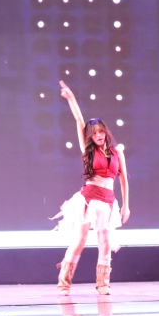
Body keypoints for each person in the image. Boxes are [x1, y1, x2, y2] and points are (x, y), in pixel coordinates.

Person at [53, 80, 130, 295]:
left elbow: (124, 179)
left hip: (108, 201)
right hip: (89, 199)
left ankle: (103, 284)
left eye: (101, 131)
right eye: (94, 133)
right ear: (91, 136)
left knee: (105, 243)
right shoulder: (88, 151)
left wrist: (126, 206)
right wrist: (71, 98)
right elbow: (79, 120)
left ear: (105, 132)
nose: (98, 135)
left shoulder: (117, 153)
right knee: (80, 240)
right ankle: (64, 283)